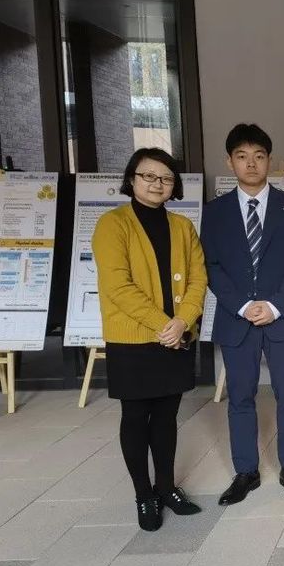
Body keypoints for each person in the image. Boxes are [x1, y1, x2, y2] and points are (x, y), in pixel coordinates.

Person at [92, 148, 206, 531]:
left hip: (176, 337)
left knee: (167, 417)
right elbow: (118, 286)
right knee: (136, 417)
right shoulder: (112, 224)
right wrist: (167, 324)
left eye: (166, 178)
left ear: (174, 185)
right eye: (149, 176)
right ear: (132, 179)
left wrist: (184, 321)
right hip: (133, 341)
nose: (157, 184)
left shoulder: (183, 227)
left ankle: (167, 487)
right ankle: (144, 495)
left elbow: (198, 279)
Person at [201, 123, 284, 505]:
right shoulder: (214, 212)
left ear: (269, 160)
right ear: (229, 162)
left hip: (283, 316)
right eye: (242, 156)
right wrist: (243, 305)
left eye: (259, 156)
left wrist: (275, 305)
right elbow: (211, 265)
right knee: (240, 397)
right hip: (237, 319)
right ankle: (245, 472)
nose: (251, 163)